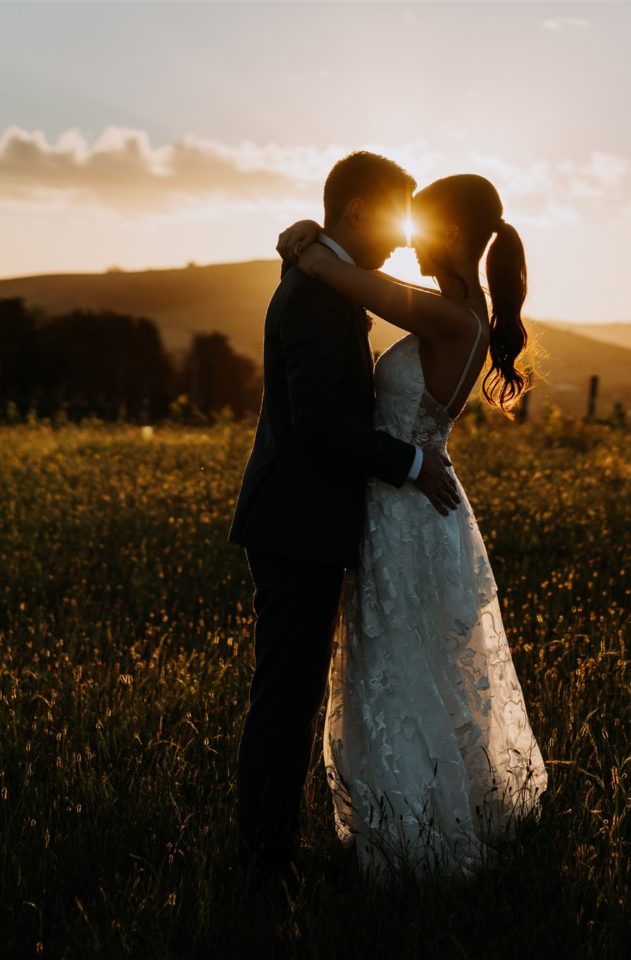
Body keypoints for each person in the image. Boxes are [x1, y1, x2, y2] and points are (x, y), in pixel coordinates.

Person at [274, 172, 548, 883]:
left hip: (405, 509)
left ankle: (416, 842)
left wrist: (304, 239)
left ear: (452, 233)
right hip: (412, 505)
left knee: (401, 664)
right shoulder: (459, 310)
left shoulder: (449, 315)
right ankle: (409, 818)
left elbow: (335, 272)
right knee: (409, 663)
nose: (405, 241)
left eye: (418, 226)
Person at [228, 151, 462, 892]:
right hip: (295, 522)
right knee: (284, 699)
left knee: (289, 694)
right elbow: (323, 420)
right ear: (358, 209)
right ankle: (262, 867)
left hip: (305, 518)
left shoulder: (319, 279)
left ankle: (268, 852)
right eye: (393, 218)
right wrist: (413, 464)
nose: (399, 238)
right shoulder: (314, 295)